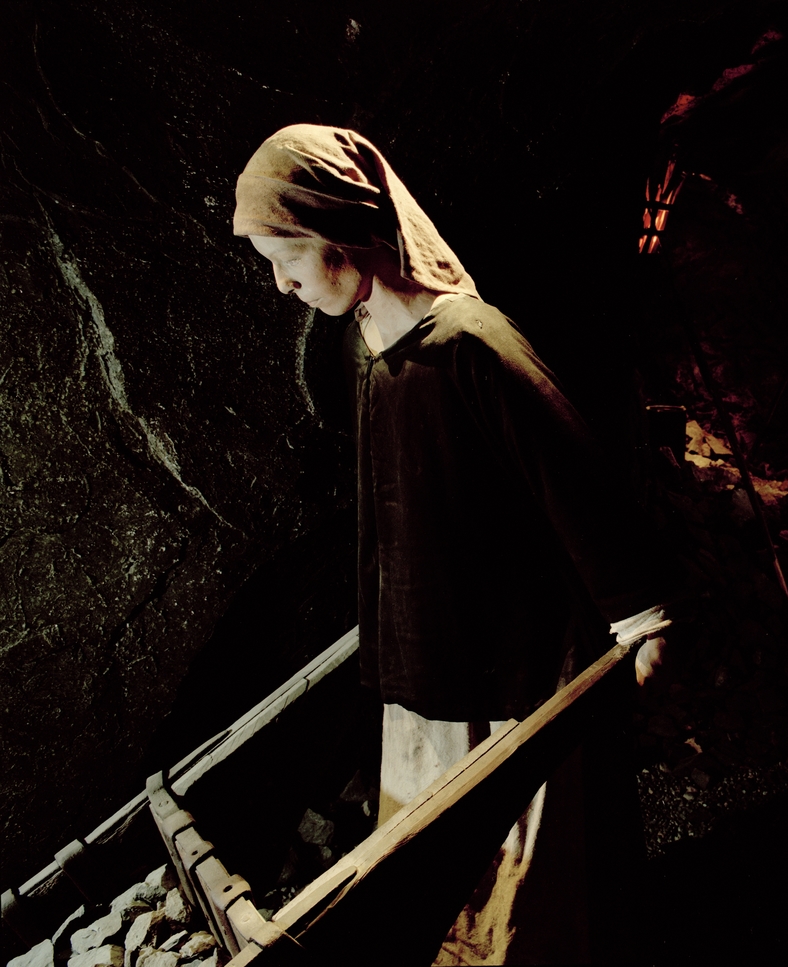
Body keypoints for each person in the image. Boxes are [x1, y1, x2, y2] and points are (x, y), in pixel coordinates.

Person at [233, 124, 674, 963]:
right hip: (430, 658)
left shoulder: (472, 341)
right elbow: (388, 510)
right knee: (431, 877)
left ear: (341, 233)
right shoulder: (369, 349)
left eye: (284, 258)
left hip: (508, 663)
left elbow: (573, 474)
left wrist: (639, 611)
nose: (282, 284)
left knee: (517, 881)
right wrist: (389, 638)